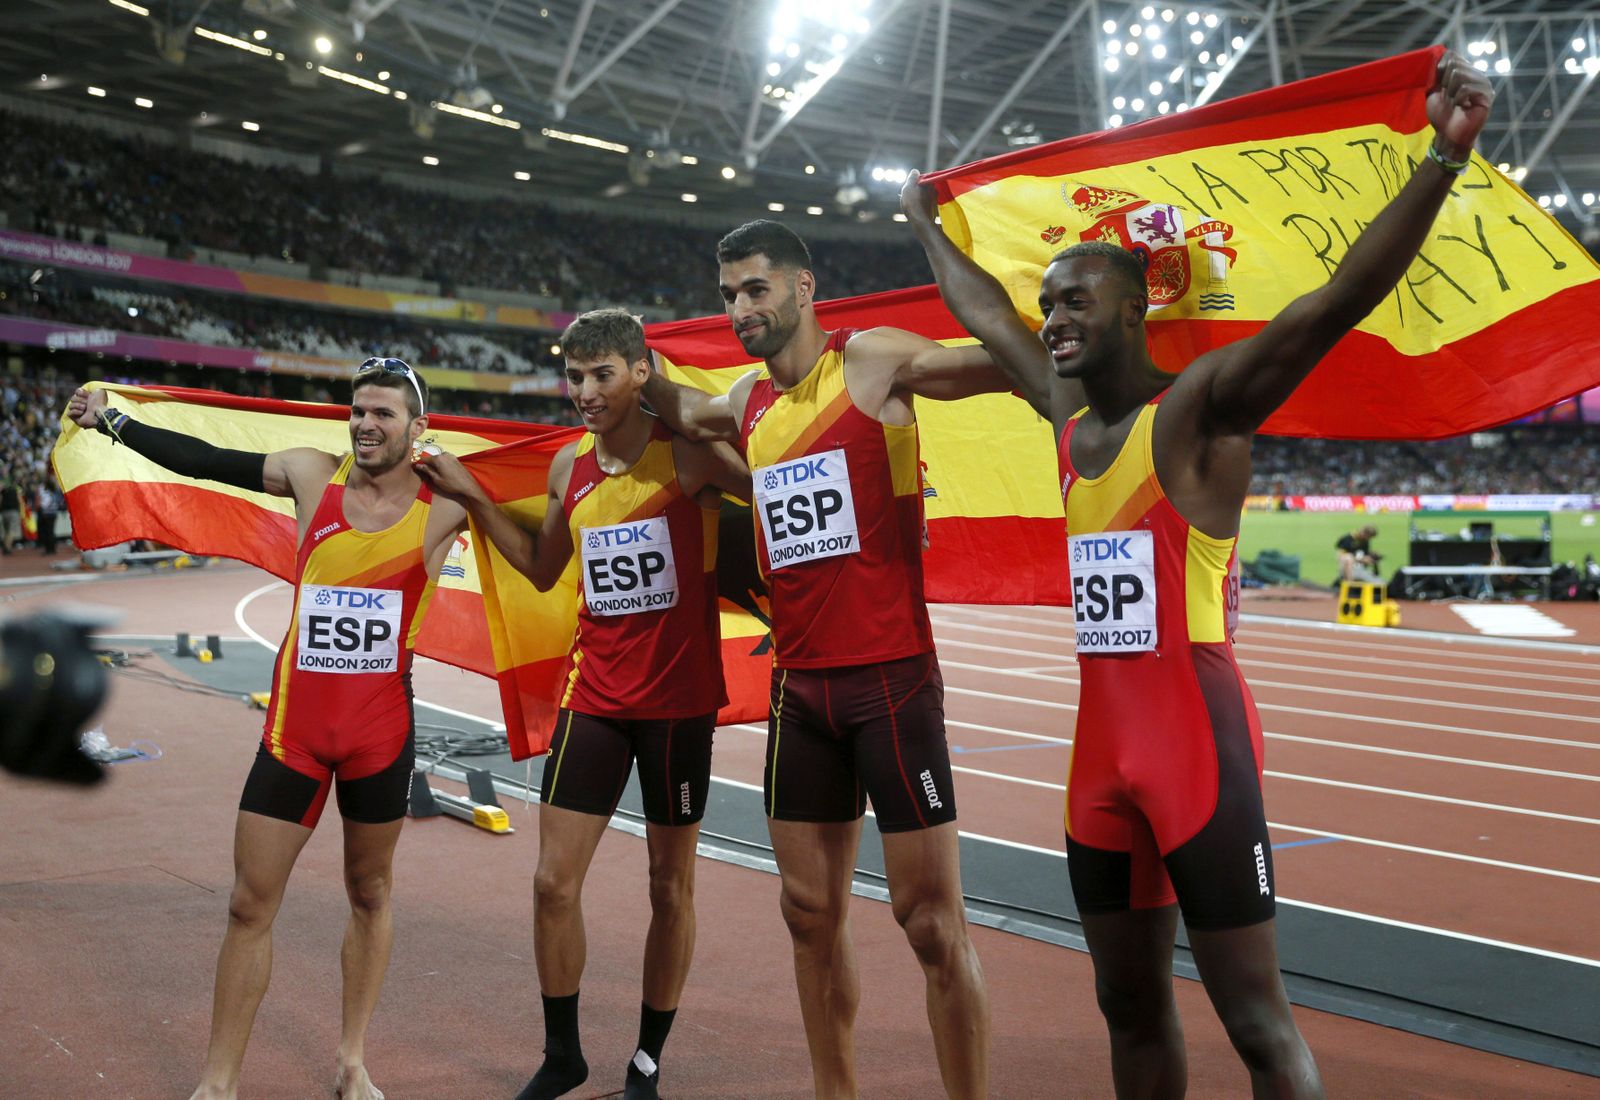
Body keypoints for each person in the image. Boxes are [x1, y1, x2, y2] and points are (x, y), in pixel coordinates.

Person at [901, 50, 1490, 1100]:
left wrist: (1441, 161)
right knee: (1126, 1007)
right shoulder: (1067, 416)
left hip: (1193, 740)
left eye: (1076, 300)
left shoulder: (1203, 408)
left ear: (1134, 310)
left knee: (1256, 1020)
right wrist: (923, 223)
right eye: (1051, 302)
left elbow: (1337, 298)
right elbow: (985, 312)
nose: (1054, 318)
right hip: (1098, 759)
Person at [640, 220, 1006, 1100]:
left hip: (892, 681)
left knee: (929, 923)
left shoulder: (871, 361)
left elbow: (994, 367)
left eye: (755, 290)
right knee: (807, 915)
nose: (739, 310)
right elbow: (684, 411)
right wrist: (624, 365)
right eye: (727, 295)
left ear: (804, 289)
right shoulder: (745, 401)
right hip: (800, 691)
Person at [67, 357, 467, 1100]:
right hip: (296, 731)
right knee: (249, 902)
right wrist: (116, 421)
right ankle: (218, 1084)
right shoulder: (312, 474)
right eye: (359, 409)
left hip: (381, 733)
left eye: (383, 413)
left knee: (371, 892)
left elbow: (546, 524)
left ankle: (351, 1062)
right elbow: (208, 460)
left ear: (419, 428)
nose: (366, 423)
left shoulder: (446, 504)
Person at [415, 309, 749, 1100]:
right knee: (550, 884)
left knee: (670, 885)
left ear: (642, 373)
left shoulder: (692, 459)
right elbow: (539, 568)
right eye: (574, 376)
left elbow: (776, 491)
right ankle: (563, 1056)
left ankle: (646, 1059)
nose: (585, 391)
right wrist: (470, 495)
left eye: (602, 375)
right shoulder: (570, 468)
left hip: (677, 705)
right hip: (594, 694)